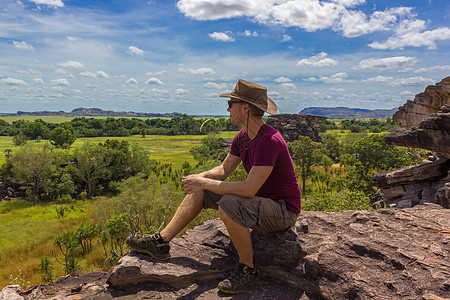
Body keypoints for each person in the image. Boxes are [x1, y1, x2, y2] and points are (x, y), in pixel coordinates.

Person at [126, 79, 301, 294]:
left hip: (282, 211)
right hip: (261, 205)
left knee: (229, 203)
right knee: (202, 188)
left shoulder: (269, 141)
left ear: (245, 108)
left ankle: (249, 270)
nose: (227, 109)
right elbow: (223, 170)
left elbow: (248, 189)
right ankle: (160, 242)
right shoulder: (243, 137)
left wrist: (204, 181)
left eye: (231, 104)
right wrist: (197, 178)